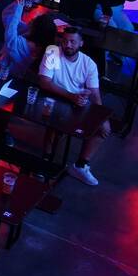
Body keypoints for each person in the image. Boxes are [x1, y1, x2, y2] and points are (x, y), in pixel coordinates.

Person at [36, 25, 109, 185]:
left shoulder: (88, 64)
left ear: (81, 43)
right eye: (65, 41)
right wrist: (71, 96)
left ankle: (81, 165)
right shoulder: (53, 52)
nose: (68, 45)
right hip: (55, 98)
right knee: (55, 125)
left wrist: (101, 116)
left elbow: (94, 92)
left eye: (72, 42)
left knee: (104, 129)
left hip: (78, 103)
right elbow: (45, 83)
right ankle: (45, 161)